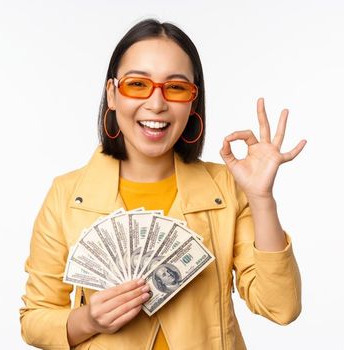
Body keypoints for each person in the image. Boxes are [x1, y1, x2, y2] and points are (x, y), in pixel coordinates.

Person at [20, 18, 307, 350]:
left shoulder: (226, 190)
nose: (156, 104)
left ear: (192, 102)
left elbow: (281, 307)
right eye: (138, 84)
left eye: (176, 87)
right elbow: (34, 319)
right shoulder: (66, 195)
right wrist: (88, 321)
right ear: (112, 94)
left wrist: (260, 198)